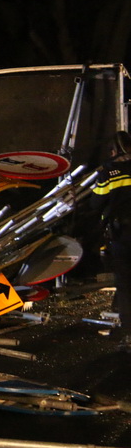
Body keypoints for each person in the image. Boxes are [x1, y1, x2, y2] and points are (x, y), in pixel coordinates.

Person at [91, 130, 131, 349]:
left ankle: (129, 333)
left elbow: (96, 203)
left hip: (123, 234)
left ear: (114, 151)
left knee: (125, 283)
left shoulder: (109, 172)